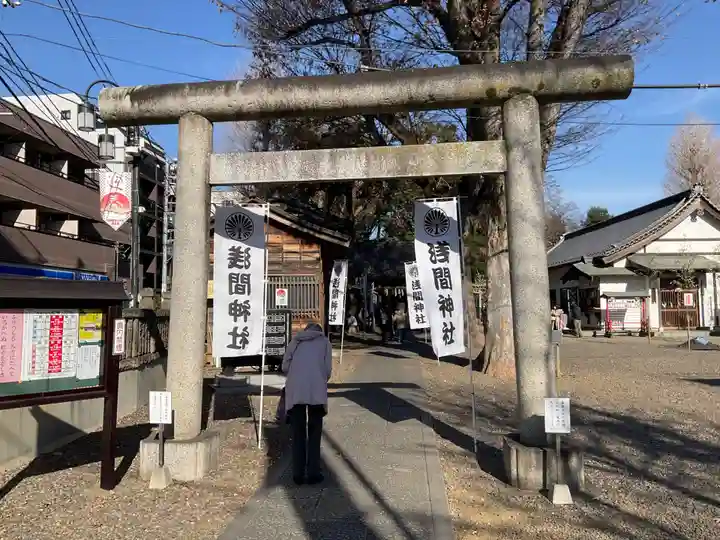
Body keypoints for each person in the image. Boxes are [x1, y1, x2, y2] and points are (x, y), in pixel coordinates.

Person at [281, 322, 333, 486]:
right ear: (319, 331)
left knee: (298, 433)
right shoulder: (325, 342)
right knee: (315, 432)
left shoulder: (295, 341)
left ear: (306, 330)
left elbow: (285, 367)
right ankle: (313, 473)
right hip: (316, 391)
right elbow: (327, 370)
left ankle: (297, 474)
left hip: (296, 391)